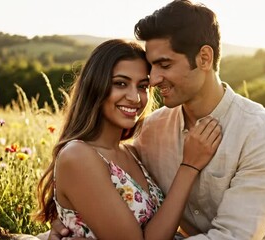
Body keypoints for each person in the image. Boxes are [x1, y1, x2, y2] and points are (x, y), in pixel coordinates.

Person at [49, 0, 265, 239]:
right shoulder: (151, 129)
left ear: (204, 59)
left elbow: (234, 236)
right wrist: (67, 223)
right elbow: (101, 188)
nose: (152, 81)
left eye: (163, 65)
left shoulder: (263, 132)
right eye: (150, 68)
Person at [34, 39, 222, 239]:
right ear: (95, 86)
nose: (135, 97)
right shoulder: (78, 156)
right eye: (120, 83)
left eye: (142, 86)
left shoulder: (133, 153)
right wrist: (189, 167)